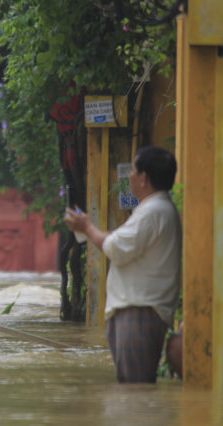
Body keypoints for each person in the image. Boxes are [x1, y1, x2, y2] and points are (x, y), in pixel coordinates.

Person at [64, 146, 181, 383]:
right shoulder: (153, 209)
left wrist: (87, 227)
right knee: (131, 389)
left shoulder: (152, 212)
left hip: (139, 312)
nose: (129, 176)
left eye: (133, 170)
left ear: (144, 178)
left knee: (133, 390)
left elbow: (115, 248)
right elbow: (121, 242)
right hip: (137, 311)